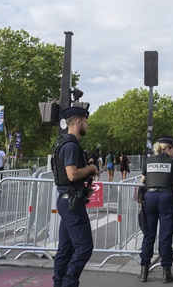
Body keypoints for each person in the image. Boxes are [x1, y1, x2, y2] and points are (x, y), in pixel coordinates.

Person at [52, 106, 99, 287]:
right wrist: (91, 169)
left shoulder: (64, 143)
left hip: (67, 202)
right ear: (78, 121)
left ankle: (59, 283)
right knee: (84, 248)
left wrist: (86, 167)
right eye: (86, 122)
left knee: (65, 250)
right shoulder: (71, 145)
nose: (87, 126)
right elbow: (72, 175)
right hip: (72, 204)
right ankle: (69, 283)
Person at [139, 135, 173, 283]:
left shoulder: (149, 160)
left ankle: (144, 271)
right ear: (168, 149)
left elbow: (142, 180)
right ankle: (166, 273)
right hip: (166, 197)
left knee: (148, 235)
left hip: (149, 197)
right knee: (165, 236)